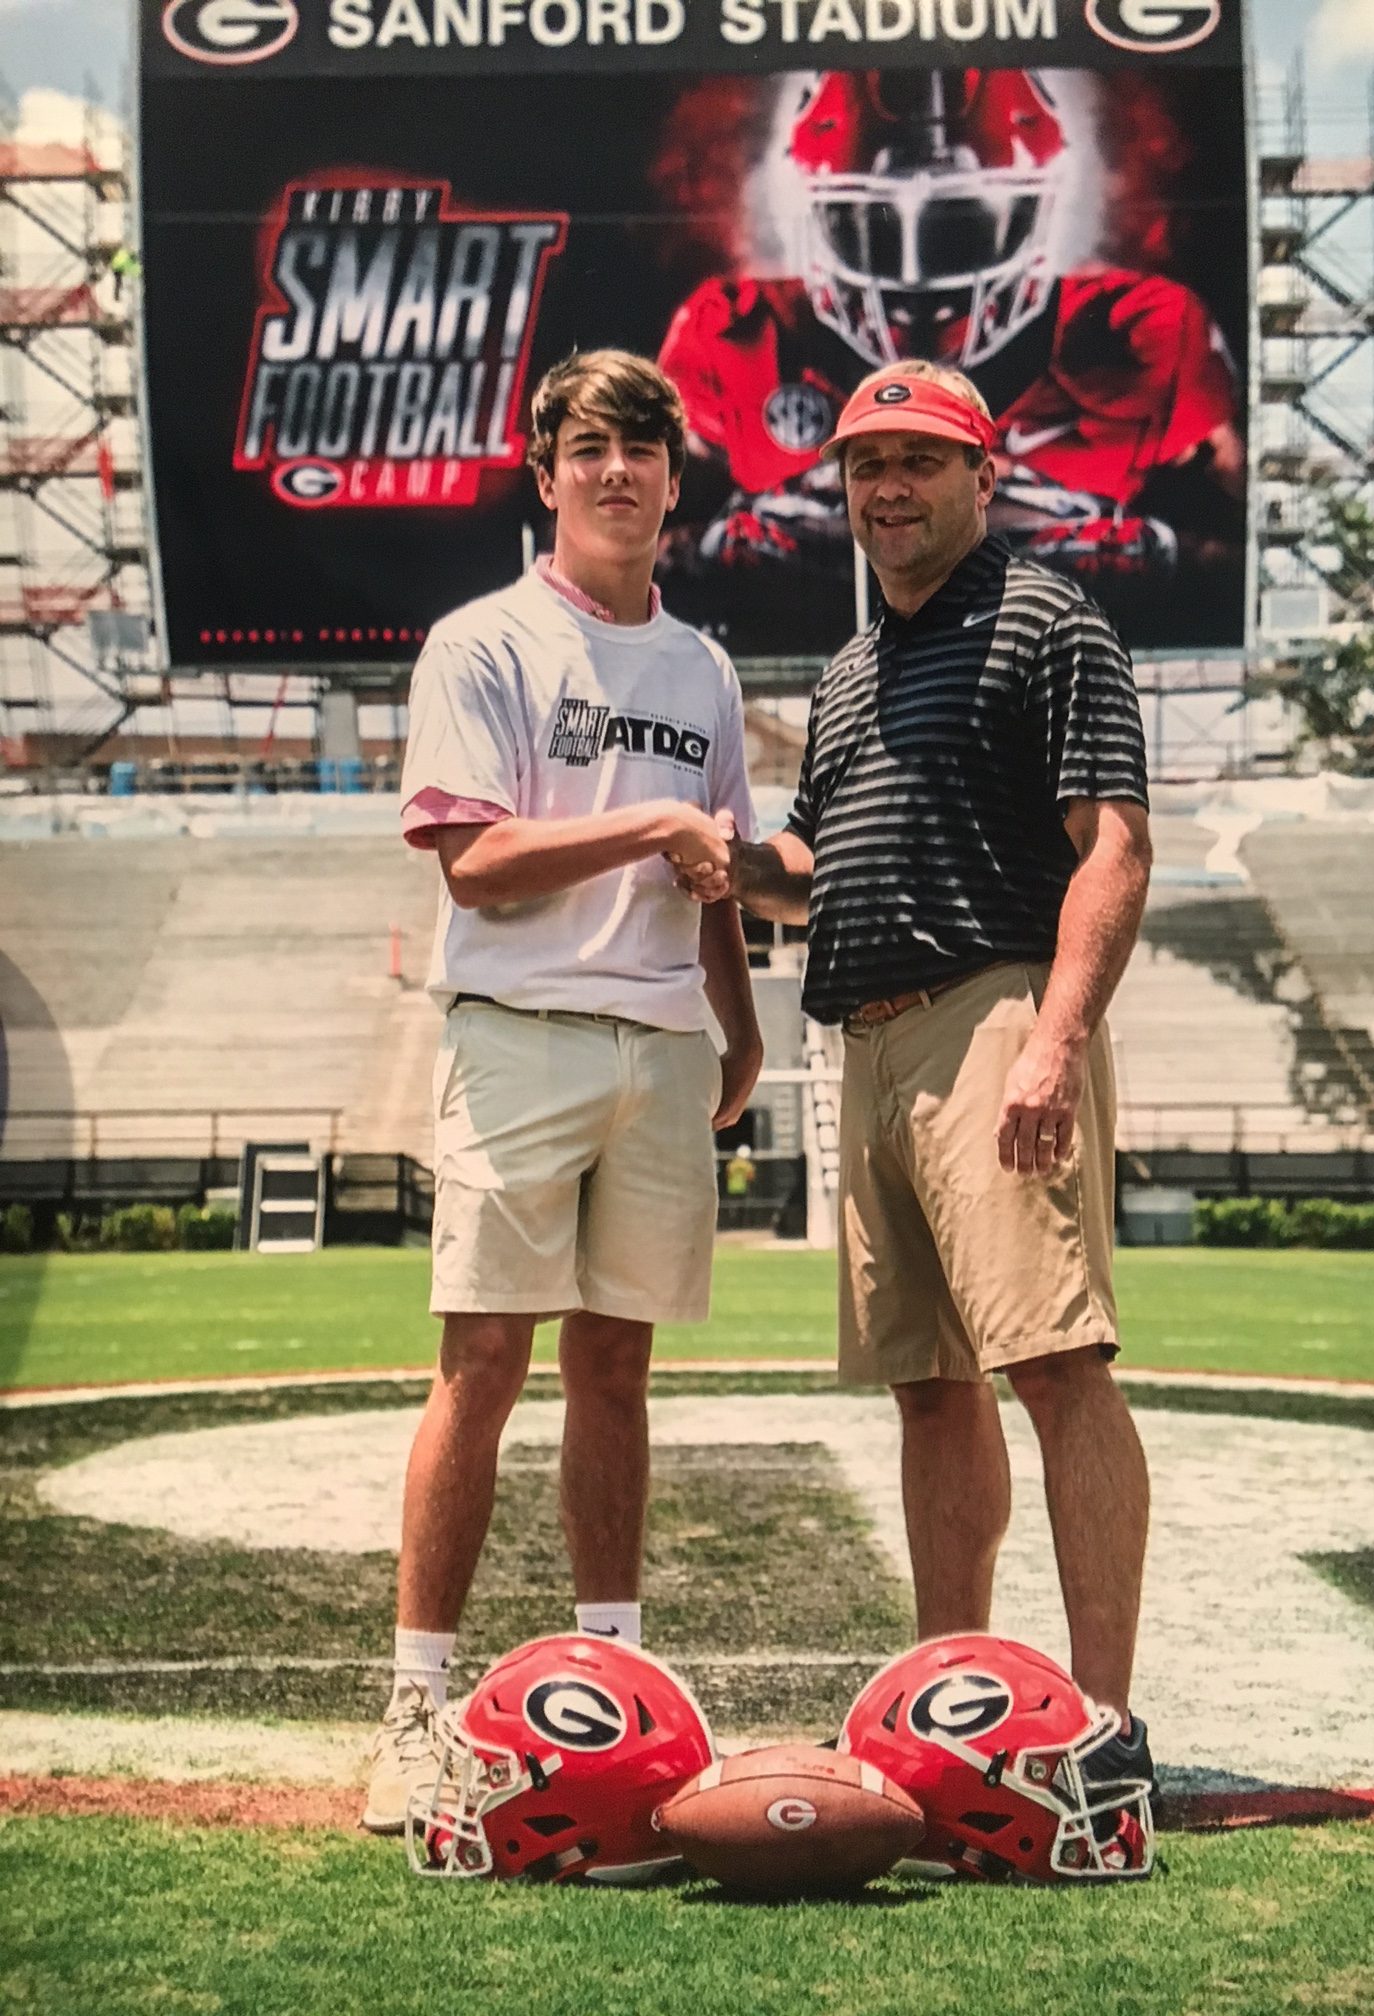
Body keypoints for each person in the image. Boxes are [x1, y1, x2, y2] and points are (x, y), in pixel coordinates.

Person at [681, 358, 1156, 1788]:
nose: (885, 487)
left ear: (981, 472)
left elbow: (1115, 849)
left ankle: (1103, 1724)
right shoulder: (843, 674)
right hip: (864, 1039)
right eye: (863, 464)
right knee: (928, 1389)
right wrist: (731, 860)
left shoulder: (1050, 621)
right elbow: (818, 865)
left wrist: (1057, 1040)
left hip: (996, 1014)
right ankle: (952, 1708)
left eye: (918, 461)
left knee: (1055, 1364)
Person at [365, 349, 762, 1834]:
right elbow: (472, 858)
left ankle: (622, 1676)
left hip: (663, 1047)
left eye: (642, 449)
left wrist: (738, 1021)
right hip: (521, 1032)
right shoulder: (483, 641)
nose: (616, 473)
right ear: (547, 476)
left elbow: (714, 868)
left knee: (616, 1373)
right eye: (588, 448)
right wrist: (654, 817)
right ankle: (415, 1699)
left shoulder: (705, 668)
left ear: (674, 478)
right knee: (481, 1365)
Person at [658, 68, 1243, 639]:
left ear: (1040, 212)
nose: (915, 277)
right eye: (871, 225)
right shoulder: (729, 332)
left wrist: (1140, 549)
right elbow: (633, 551)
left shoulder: (1147, 332)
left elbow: (1240, 563)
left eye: (961, 226)